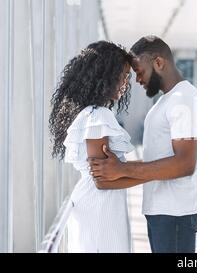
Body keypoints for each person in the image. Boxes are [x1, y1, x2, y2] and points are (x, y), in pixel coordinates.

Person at [88, 35, 197, 253]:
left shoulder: (184, 99)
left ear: (159, 63)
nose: (137, 80)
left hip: (176, 212)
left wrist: (122, 169)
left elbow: (185, 164)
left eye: (139, 72)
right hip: (166, 211)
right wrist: (117, 175)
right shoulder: (168, 100)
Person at [49, 41, 135, 252]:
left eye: (127, 78)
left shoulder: (90, 113)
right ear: (104, 76)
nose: (124, 84)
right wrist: (160, 171)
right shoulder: (98, 115)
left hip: (98, 201)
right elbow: (103, 181)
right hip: (100, 204)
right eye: (121, 76)